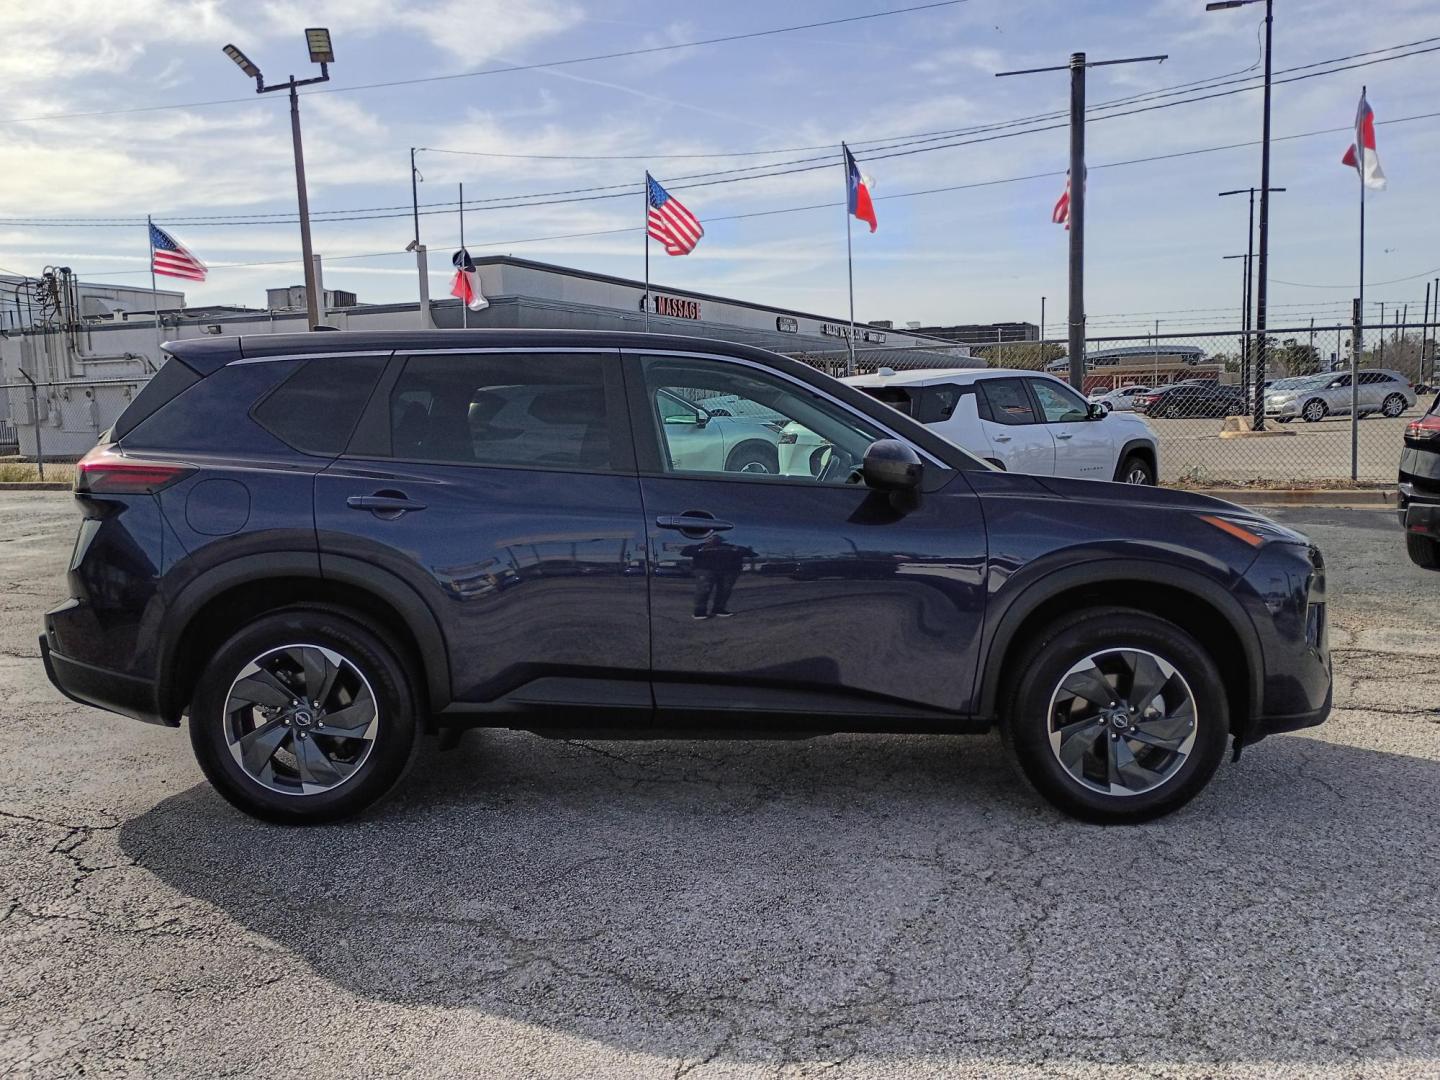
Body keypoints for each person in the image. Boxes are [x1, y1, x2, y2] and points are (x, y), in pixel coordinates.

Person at [681, 534, 756, 619]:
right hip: (705, 570)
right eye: (710, 538)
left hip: (729, 571)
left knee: (725, 590)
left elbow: (751, 553)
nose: (713, 540)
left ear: (722, 540)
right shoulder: (699, 547)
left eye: (716, 538)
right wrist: (700, 549)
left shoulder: (731, 547)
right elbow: (684, 552)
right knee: (704, 590)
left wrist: (739, 550)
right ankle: (700, 611)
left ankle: (719, 609)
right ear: (706, 540)